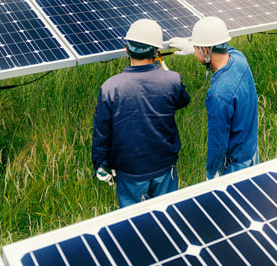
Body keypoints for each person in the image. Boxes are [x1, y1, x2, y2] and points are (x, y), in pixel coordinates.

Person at [92, 19, 190, 207]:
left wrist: (100, 164)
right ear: (156, 52)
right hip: (164, 166)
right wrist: (165, 72)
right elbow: (182, 101)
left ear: (127, 50)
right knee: (166, 216)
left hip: (129, 171)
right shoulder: (171, 80)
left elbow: (102, 133)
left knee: (135, 225)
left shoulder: (110, 87)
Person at [170, 16, 259, 180]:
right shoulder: (239, 59)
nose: (195, 51)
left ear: (205, 51)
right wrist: (193, 47)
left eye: (196, 48)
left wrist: (212, 174)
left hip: (235, 165)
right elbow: (226, 49)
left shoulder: (218, 94)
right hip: (251, 151)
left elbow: (217, 143)